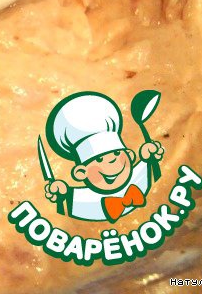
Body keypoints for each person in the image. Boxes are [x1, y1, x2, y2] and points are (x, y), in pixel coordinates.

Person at [44, 92, 164, 223]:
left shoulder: (139, 178)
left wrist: (149, 157)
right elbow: (67, 203)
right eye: (99, 159)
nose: (112, 161)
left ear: (130, 155)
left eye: (117, 154)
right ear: (81, 173)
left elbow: (152, 171)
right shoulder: (85, 201)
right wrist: (61, 194)